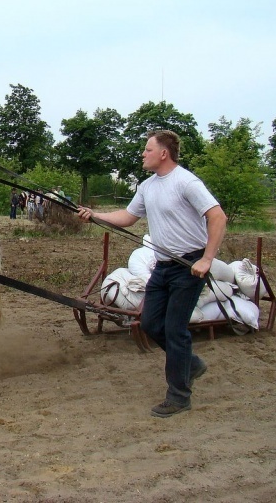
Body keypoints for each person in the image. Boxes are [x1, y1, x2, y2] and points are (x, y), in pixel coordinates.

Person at [77, 130, 226, 418]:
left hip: (189, 266)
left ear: (163, 153)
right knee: (151, 324)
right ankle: (191, 365)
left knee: (175, 329)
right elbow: (128, 218)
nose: (143, 154)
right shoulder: (147, 186)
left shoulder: (186, 182)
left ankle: (179, 396)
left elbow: (217, 216)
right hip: (163, 265)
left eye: (147, 150)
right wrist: (94, 215)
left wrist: (208, 259)